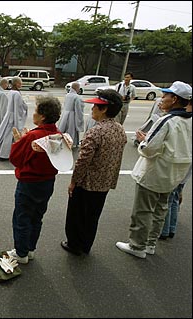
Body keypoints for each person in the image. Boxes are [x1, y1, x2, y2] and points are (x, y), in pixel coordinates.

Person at [116, 81, 192, 258]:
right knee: (160, 209)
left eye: (165, 96)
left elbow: (149, 148)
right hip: (174, 174)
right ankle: (150, 243)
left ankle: (137, 246)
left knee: (143, 210)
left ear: (174, 99)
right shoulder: (188, 120)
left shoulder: (167, 120)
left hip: (155, 172)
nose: (162, 99)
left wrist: (143, 141)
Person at [60, 89, 127, 256]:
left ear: (104, 109)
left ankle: (74, 244)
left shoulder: (96, 132)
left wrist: (74, 181)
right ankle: (86, 245)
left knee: (77, 216)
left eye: (95, 106)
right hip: (104, 182)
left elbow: (82, 162)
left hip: (87, 182)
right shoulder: (120, 129)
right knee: (92, 217)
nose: (92, 109)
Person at [6, 96, 64, 263]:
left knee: (22, 217)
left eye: (36, 111)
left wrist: (18, 141)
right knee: (37, 217)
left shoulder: (34, 136)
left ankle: (21, 253)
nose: (34, 114)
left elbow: (16, 159)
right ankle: (30, 249)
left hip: (29, 182)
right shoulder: (57, 134)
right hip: (47, 182)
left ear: (43, 115)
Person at [160, 98, 192, 240]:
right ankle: (171, 228)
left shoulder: (184, 121)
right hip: (186, 168)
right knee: (174, 197)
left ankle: (164, 230)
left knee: (168, 198)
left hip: (179, 166)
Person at [0, 76, 28, 160]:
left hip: (8, 115)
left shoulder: (10, 92)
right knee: (8, 137)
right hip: (13, 117)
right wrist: (25, 108)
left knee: (3, 134)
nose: (21, 84)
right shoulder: (17, 94)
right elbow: (18, 108)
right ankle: (3, 154)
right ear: (17, 83)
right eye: (20, 82)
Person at [58, 81, 85, 148]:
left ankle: (63, 141)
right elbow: (78, 109)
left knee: (64, 129)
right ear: (77, 88)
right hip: (72, 116)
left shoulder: (67, 95)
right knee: (72, 131)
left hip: (65, 114)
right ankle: (71, 142)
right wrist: (80, 119)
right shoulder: (77, 97)